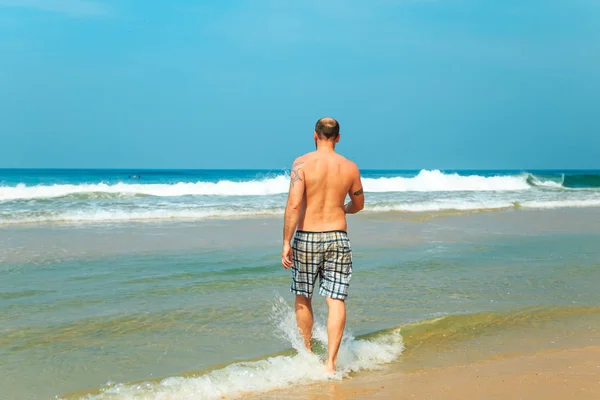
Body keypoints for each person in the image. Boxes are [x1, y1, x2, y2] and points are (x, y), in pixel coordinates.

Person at [281, 117, 364, 374]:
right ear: (338, 137)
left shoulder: (302, 164)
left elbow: (294, 204)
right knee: (335, 299)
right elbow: (359, 204)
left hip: (307, 236)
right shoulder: (350, 167)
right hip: (338, 237)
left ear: (315, 136)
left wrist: (286, 242)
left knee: (303, 296)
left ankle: (307, 355)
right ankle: (330, 364)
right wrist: (343, 209)